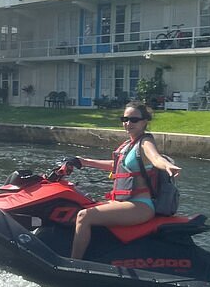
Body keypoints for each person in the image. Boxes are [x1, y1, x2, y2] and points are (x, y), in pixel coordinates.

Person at [70, 101, 181, 260]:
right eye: (125, 119)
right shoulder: (128, 145)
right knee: (78, 207)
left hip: (140, 206)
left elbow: (155, 158)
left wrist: (168, 165)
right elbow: (116, 166)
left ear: (144, 122)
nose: (128, 123)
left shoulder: (145, 142)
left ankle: (74, 263)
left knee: (84, 216)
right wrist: (83, 161)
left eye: (134, 120)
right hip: (122, 202)